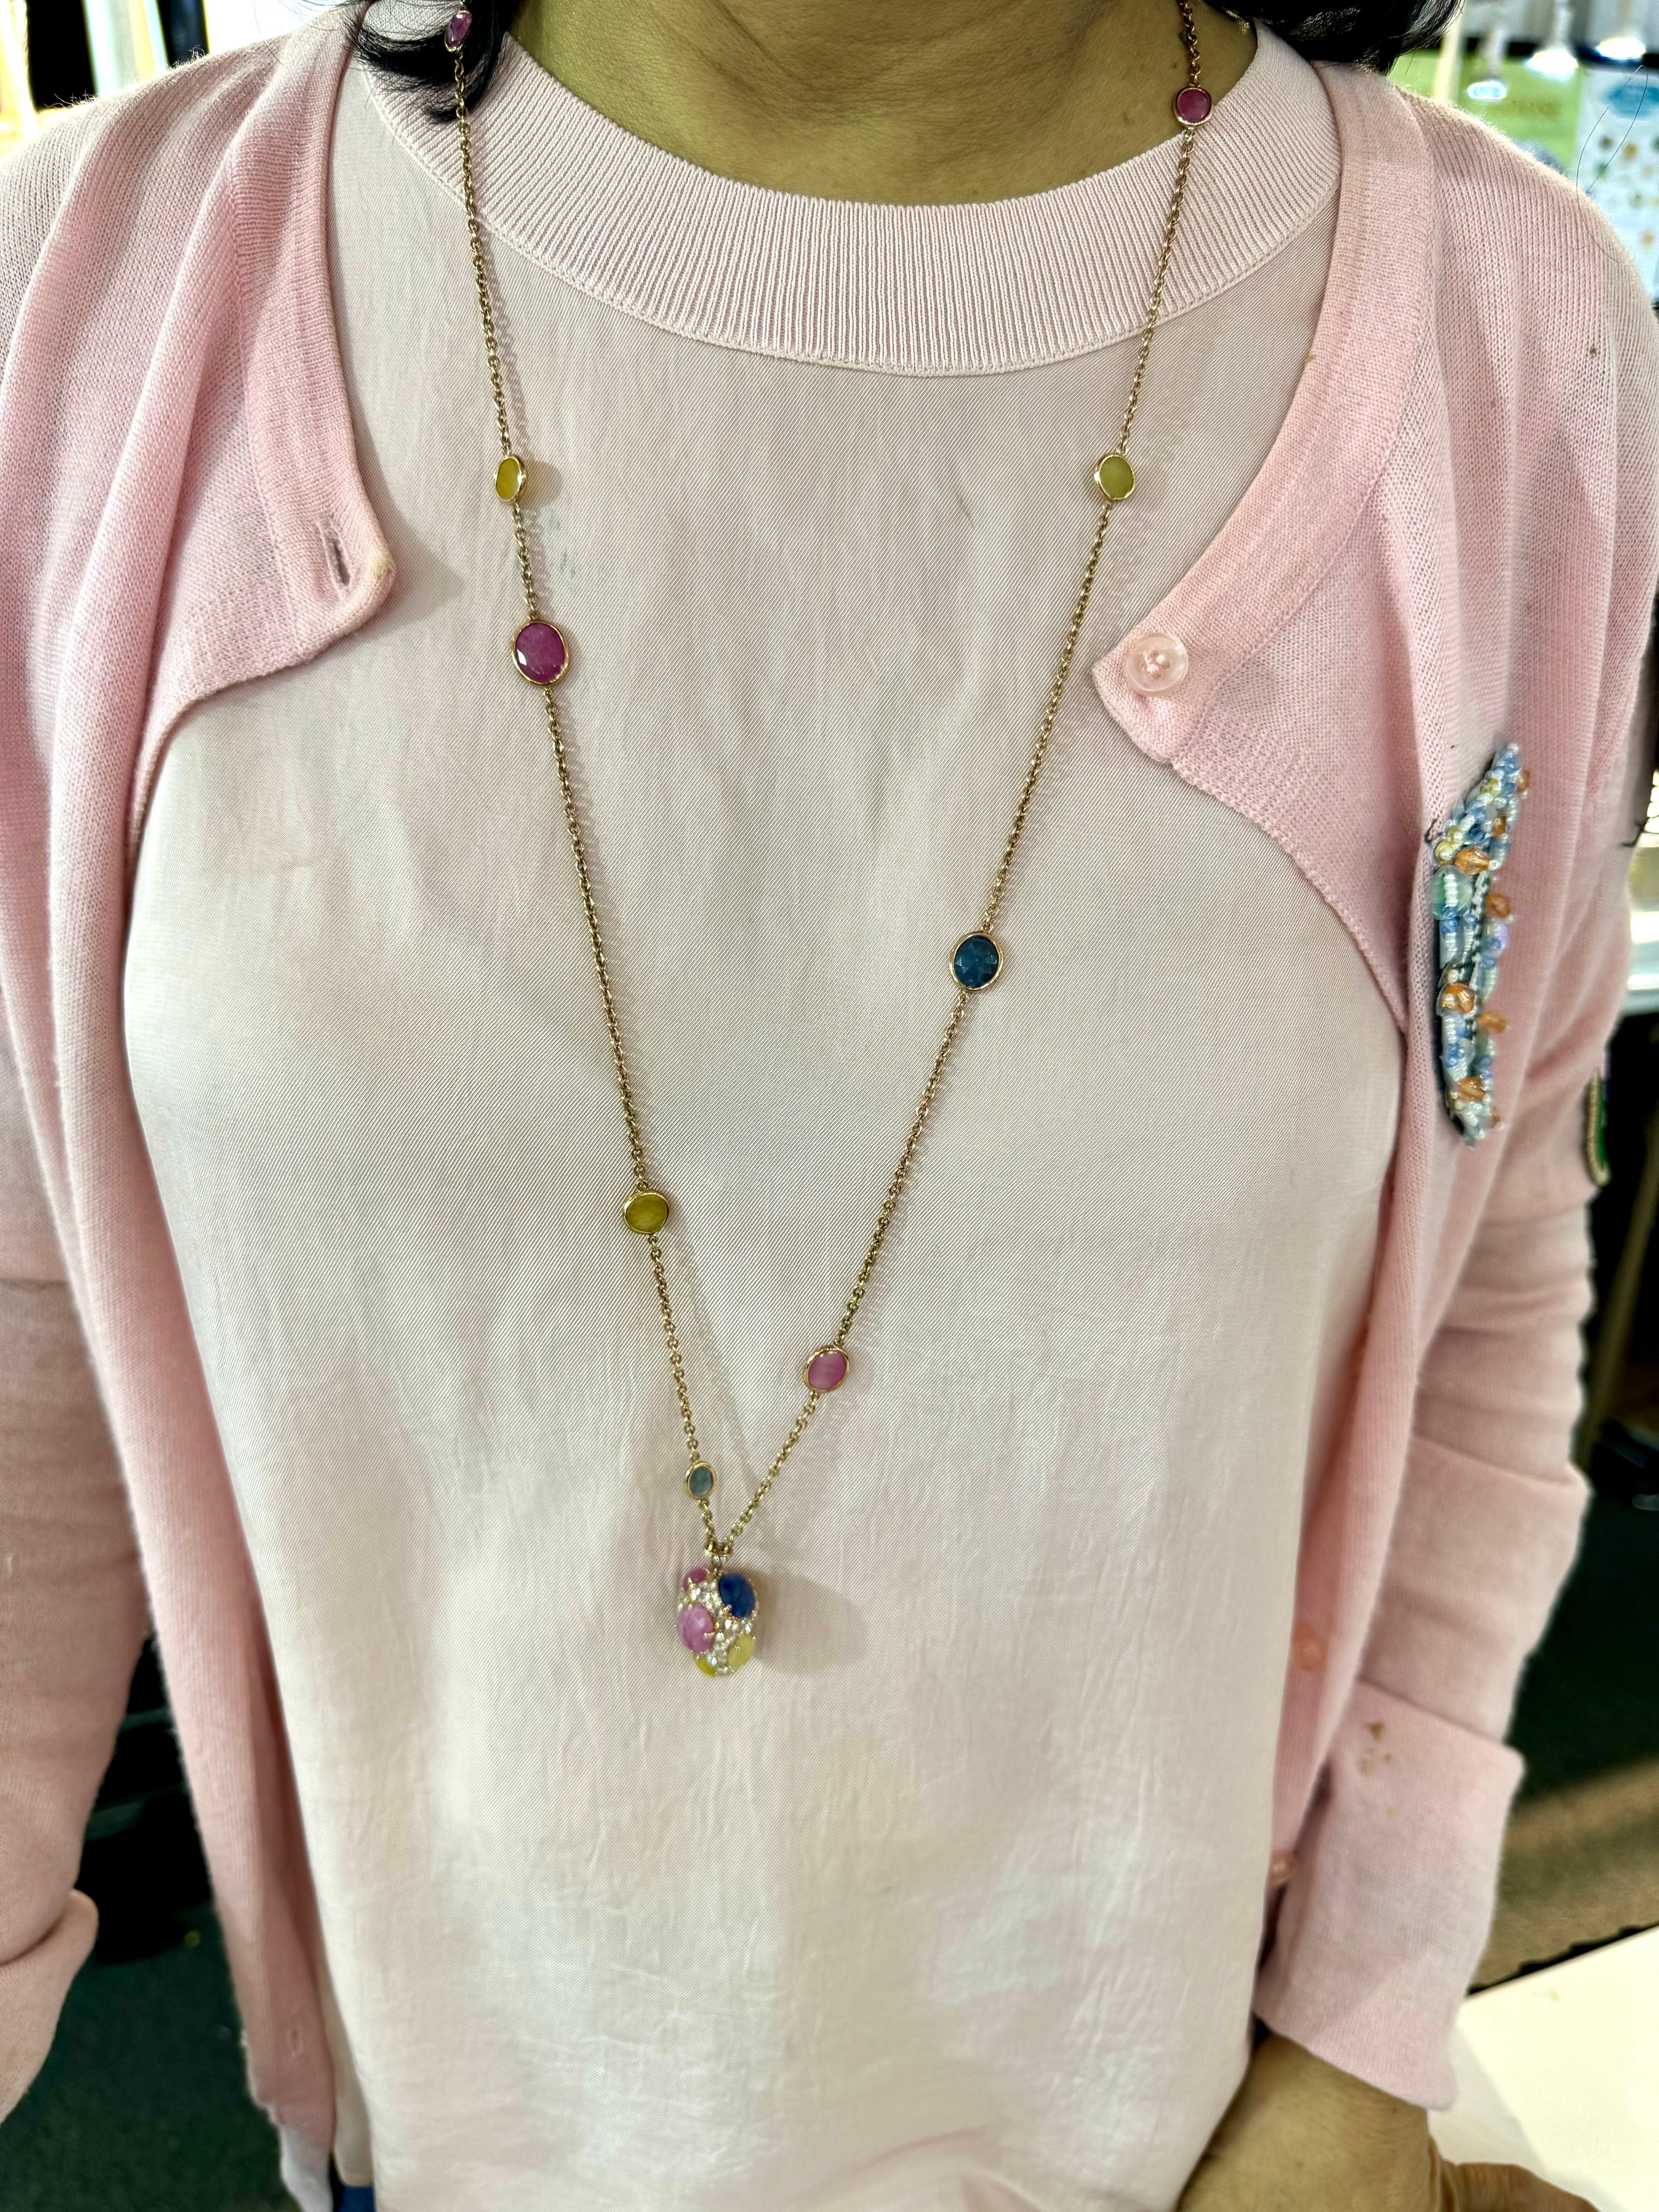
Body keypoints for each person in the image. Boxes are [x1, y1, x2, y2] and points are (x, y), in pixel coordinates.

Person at [0, 0, 1652, 2205]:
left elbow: (1492, 1248)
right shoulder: (91, 293)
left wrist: (1366, 2016)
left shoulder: (1513, 339)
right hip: (440, 2139)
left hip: (1173, 2148)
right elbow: (20, 1326)